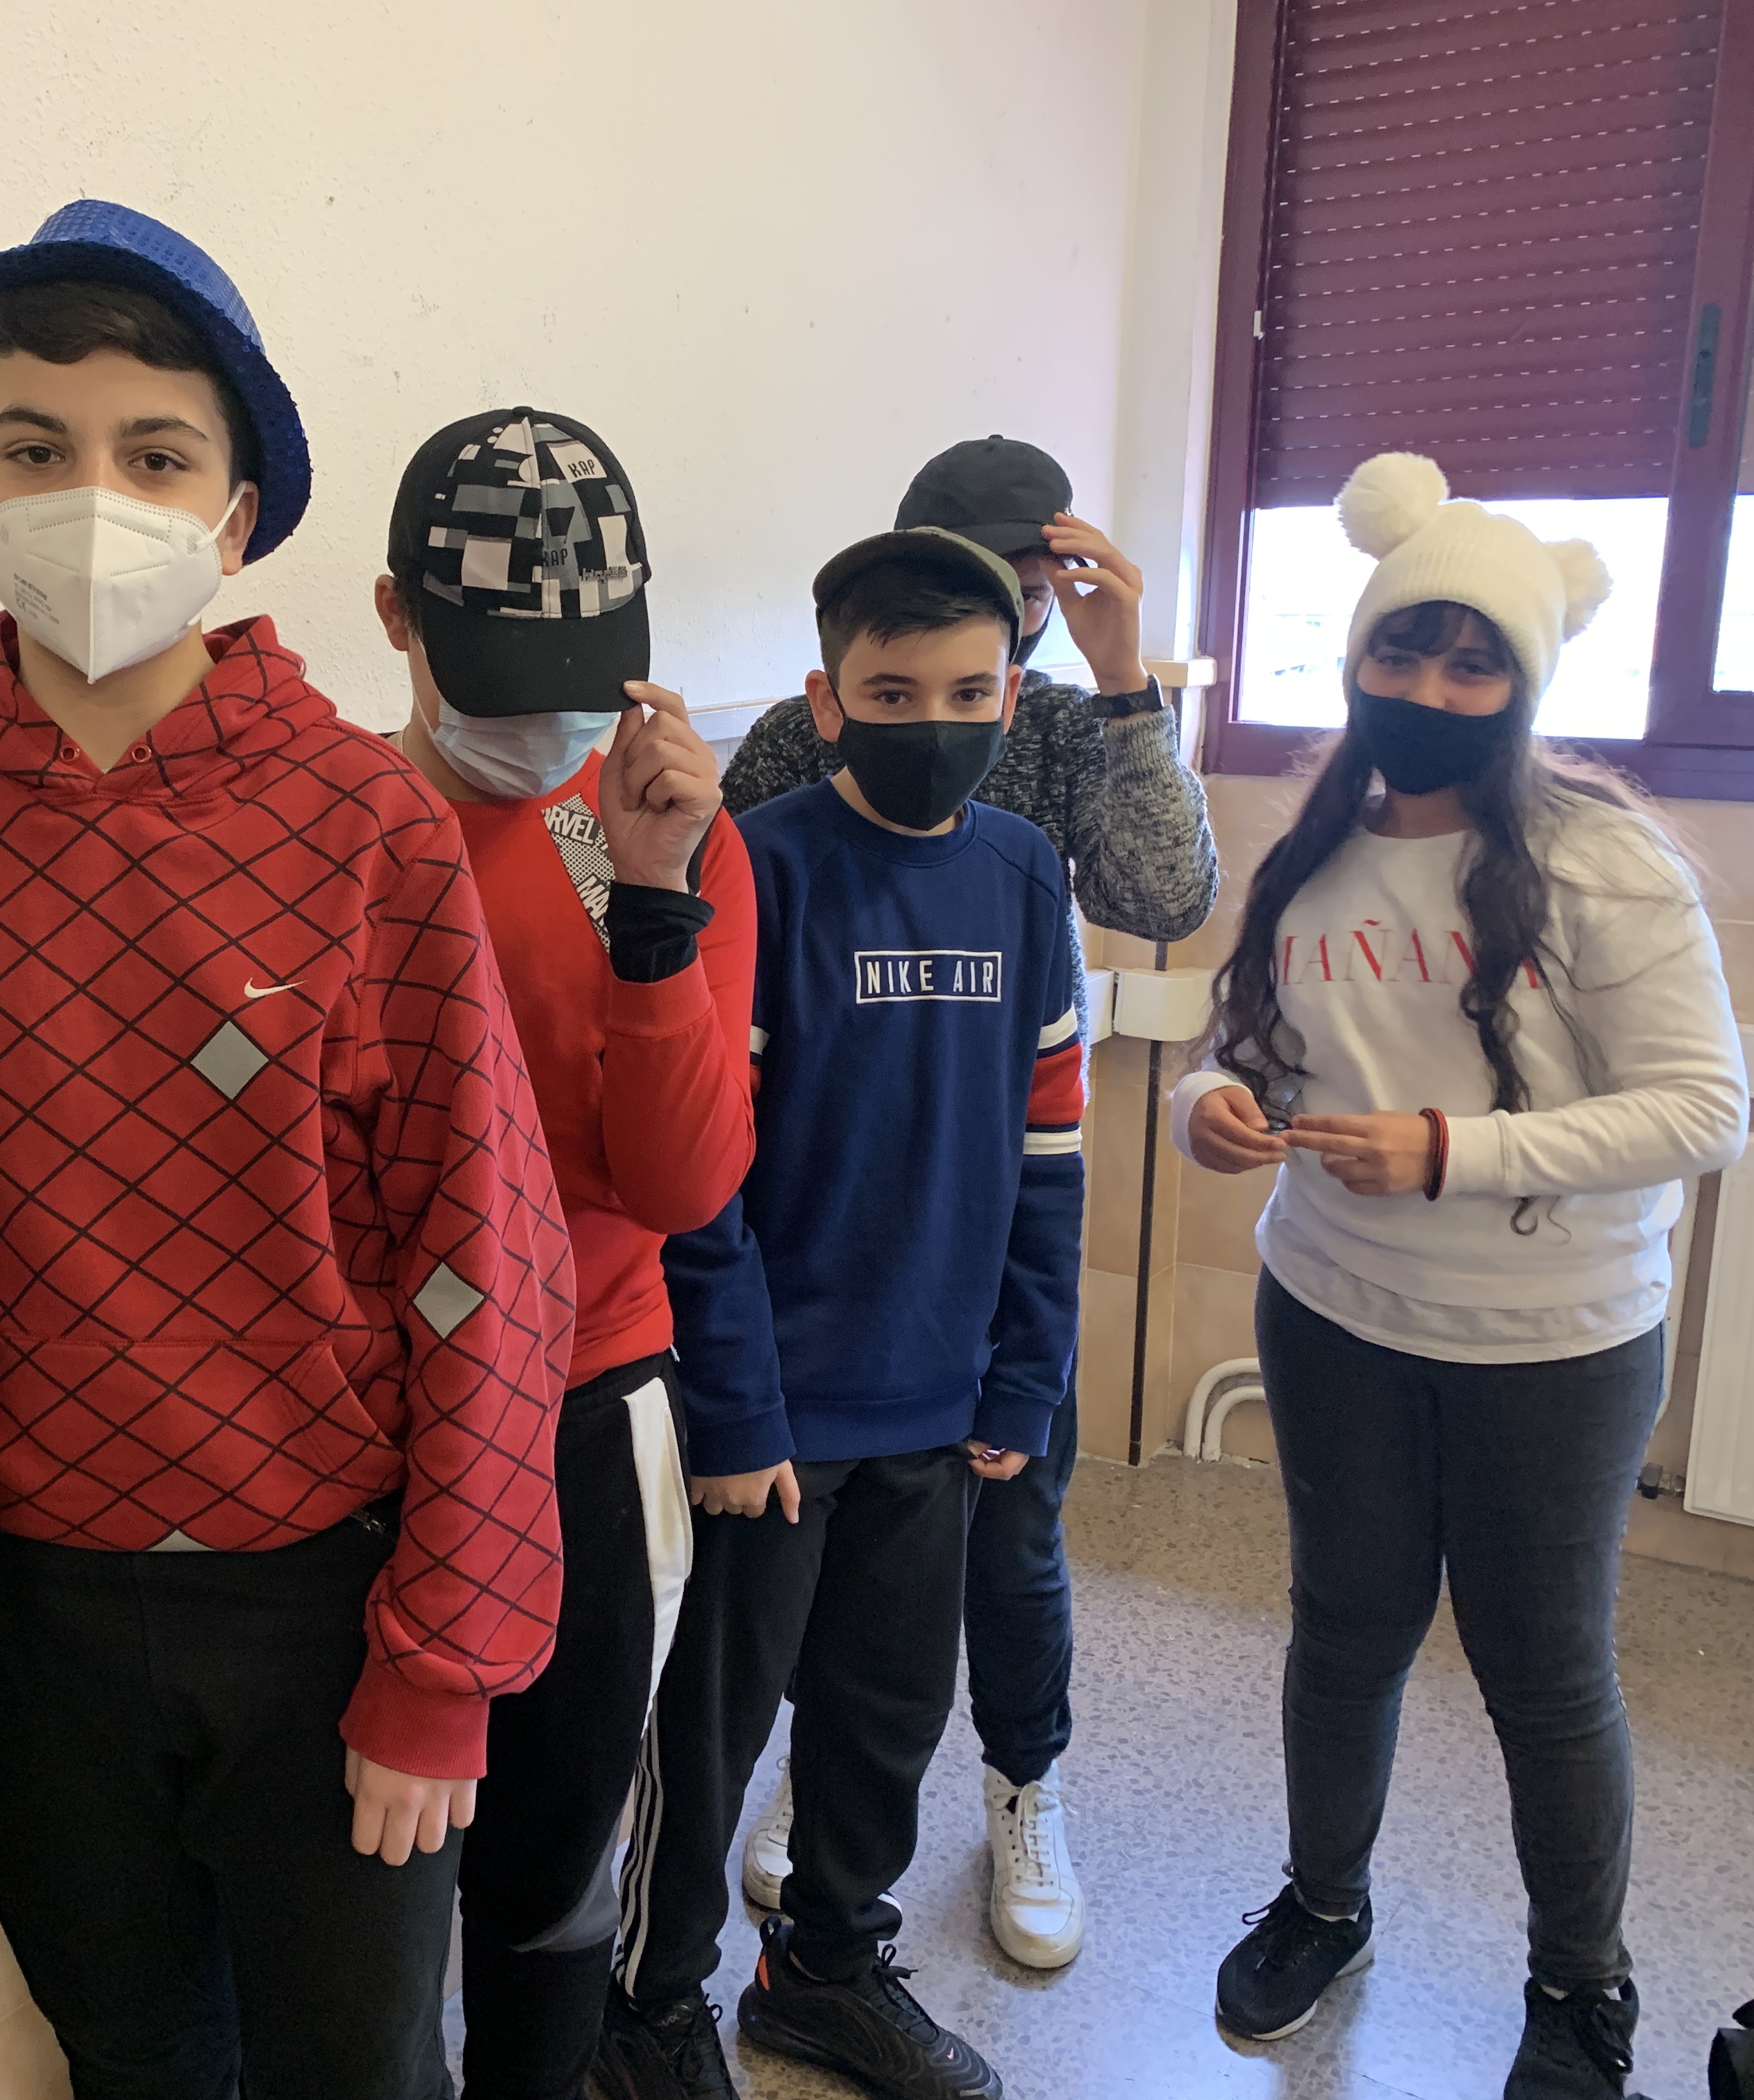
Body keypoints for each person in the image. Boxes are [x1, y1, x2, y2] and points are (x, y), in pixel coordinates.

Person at [0, 206, 574, 2100]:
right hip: (18, 1609)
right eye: (34, 446)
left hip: (325, 1597)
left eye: (155, 457)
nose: (92, 498)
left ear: (235, 520)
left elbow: (488, 1246)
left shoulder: (364, 825)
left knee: (359, 2067)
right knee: (134, 2057)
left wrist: (445, 1656)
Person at [1173, 453, 1748, 2100]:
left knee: (1544, 1675)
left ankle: (1579, 1985)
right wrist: (1206, 1106)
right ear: (1356, 655)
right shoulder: (1312, 852)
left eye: (1473, 663)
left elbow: (1705, 1111)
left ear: (1524, 686)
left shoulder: (1603, 863)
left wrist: (1452, 1150)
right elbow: (1242, 1053)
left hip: (1554, 1344)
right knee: (1343, 1634)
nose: (1428, 688)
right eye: (1402, 649)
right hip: (1333, 1317)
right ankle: (1323, 1906)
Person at [602, 527, 1085, 2100]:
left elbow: (1051, 1156)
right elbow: (701, 1182)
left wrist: (1024, 1380)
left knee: (886, 1720)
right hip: (777, 1422)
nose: (933, 720)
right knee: (713, 1732)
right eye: (892, 692)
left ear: (1011, 695)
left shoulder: (1026, 876)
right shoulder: (760, 865)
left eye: (969, 691)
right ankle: (647, 2008)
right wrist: (738, 1407)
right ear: (826, 701)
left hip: (940, 1406)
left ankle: (823, 1972)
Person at [728, 437, 1213, 1969]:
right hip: (825, 1251)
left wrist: (1128, 683)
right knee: (825, 1592)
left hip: (988, 1230)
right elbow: (717, 931)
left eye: (1033, 592)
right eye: (985, 576)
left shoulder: (1059, 727)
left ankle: (1026, 1786)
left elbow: (1167, 895)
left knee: (1012, 1542)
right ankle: (816, 1777)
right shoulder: (802, 736)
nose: (1010, 613)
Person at [374, 409, 753, 2099]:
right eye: (505, 682)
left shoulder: (637, 830)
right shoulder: (335, 823)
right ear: (398, 618)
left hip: (590, 1393)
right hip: (365, 1411)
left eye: (577, 683)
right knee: (367, 1879)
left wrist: (658, 906)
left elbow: (681, 1183)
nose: (543, 728)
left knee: (548, 1874)